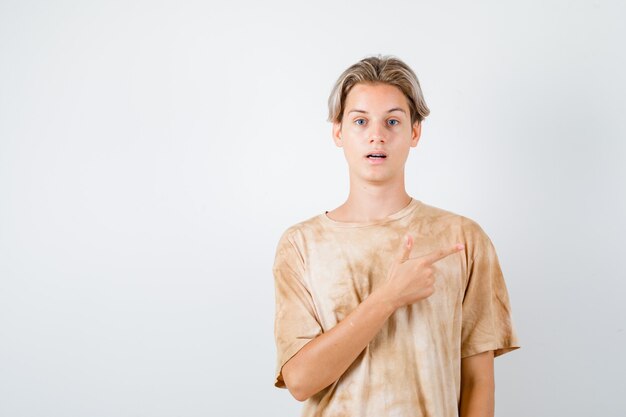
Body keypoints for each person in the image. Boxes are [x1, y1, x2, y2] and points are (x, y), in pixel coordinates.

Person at [272, 55, 520, 417]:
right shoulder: (301, 245)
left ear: (414, 132)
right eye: (360, 121)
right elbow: (300, 381)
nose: (377, 135)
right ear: (338, 132)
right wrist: (388, 299)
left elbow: (478, 381)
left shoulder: (462, 238)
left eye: (392, 121)